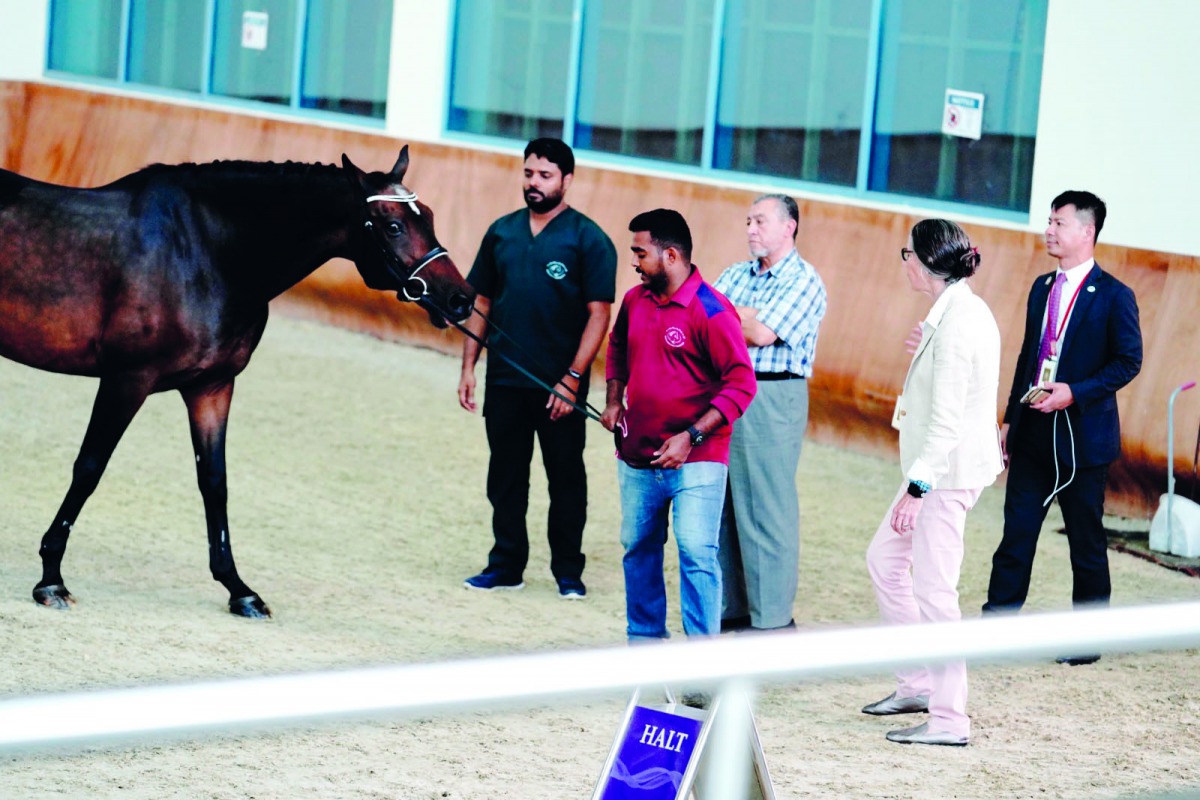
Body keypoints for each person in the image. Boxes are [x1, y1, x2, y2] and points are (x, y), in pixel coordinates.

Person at [982, 191, 1142, 665]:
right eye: (1048, 221)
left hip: (1083, 440)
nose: (1049, 230)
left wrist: (1076, 390)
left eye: (1059, 222)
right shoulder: (1041, 288)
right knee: (1016, 535)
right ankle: (996, 628)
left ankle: (1085, 640)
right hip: (1033, 433)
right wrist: (1010, 417)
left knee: (1086, 542)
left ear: (1087, 232)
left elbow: (1128, 361)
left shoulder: (1114, 295)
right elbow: (1029, 356)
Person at [863, 219, 1003, 747]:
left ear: (925, 262)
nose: (904, 263)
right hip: (934, 469)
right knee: (884, 560)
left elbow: (946, 422)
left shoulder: (962, 320)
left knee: (935, 592)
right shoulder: (951, 313)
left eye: (907, 254)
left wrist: (917, 492)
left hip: (943, 474)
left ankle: (949, 720)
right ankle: (917, 683)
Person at [458, 138, 617, 599]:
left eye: (545, 175)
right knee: (505, 476)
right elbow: (481, 301)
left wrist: (571, 379)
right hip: (504, 380)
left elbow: (599, 314)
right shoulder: (501, 232)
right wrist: (469, 367)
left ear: (567, 180)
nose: (534, 183)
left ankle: (568, 571)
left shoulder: (588, 239)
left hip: (558, 387)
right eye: (529, 173)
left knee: (565, 478)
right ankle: (506, 565)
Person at [601, 209, 756, 640]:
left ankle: (700, 663)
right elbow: (616, 349)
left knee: (696, 553)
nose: (633, 261)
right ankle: (646, 647)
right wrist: (615, 399)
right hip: (636, 457)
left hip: (698, 458)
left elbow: (742, 384)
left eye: (640, 252)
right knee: (638, 549)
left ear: (670, 255)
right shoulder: (634, 301)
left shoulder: (711, 311)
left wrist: (692, 436)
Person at [713, 194, 827, 632]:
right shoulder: (734, 274)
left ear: (789, 227)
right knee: (722, 508)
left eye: (760, 221)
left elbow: (760, 333)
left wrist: (730, 315)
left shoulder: (803, 279)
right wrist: (736, 316)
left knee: (766, 510)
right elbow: (702, 318)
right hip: (722, 392)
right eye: (747, 221)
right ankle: (732, 613)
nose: (751, 229)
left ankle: (773, 623)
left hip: (771, 398)